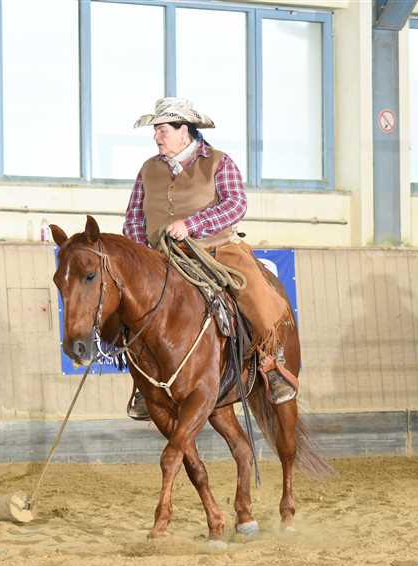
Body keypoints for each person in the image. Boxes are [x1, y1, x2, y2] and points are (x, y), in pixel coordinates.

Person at [122, 97, 298, 420]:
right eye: (156, 131)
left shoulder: (218, 162)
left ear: (184, 131)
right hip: (161, 256)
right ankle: (145, 383)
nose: (156, 137)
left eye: (162, 130)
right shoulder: (148, 169)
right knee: (130, 304)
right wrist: (141, 253)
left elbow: (236, 204)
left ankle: (270, 363)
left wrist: (191, 225)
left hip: (217, 249)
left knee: (254, 293)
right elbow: (133, 217)